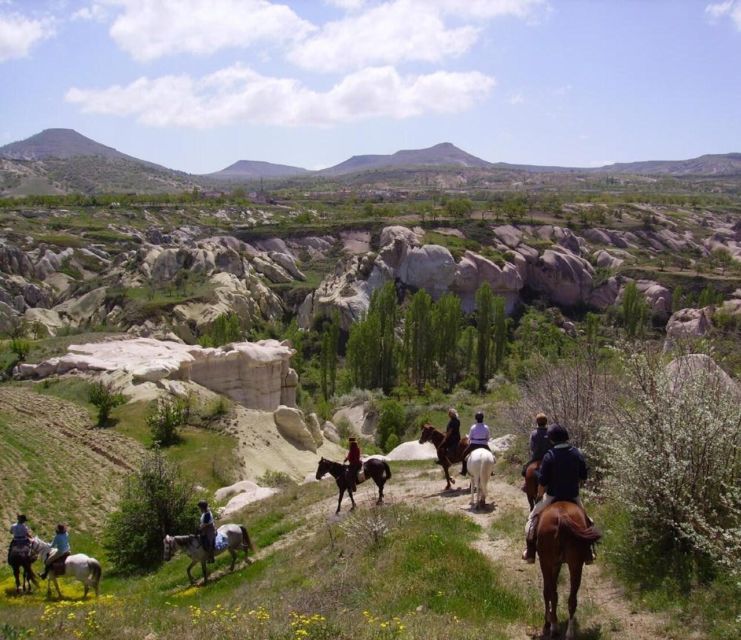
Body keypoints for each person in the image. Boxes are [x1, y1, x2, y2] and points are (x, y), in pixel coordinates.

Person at [522, 423, 594, 564]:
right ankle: (588, 552)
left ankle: (530, 552)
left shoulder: (550, 456)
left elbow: (543, 482)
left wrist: (539, 495)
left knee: (532, 520)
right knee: (588, 521)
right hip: (573, 495)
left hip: (553, 496)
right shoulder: (576, 453)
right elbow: (584, 476)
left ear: (552, 439)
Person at [521, 412, 552, 487]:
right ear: (546, 422)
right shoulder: (550, 432)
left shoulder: (533, 433)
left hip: (536, 458)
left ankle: (526, 485)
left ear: (537, 422)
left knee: (524, 470)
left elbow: (531, 447)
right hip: (549, 458)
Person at [460, 411, 491, 477]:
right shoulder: (486, 427)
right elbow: (488, 438)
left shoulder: (473, 427)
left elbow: (470, 438)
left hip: (474, 445)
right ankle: (491, 471)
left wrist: (470, 439)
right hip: (484, 445)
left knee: (463, 455)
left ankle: (464, 471)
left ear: (476, 419)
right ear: (483, 418)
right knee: (492, 457)